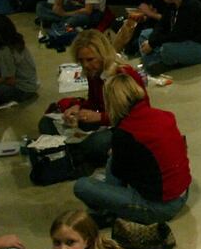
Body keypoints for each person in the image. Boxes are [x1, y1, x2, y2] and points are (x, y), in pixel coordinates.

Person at [73, 73, 190, 249]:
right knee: (113, 157)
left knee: (82, 186)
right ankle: (111, 206)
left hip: (161, 207)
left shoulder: (125, 133)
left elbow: (120, 173)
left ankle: (109, 211)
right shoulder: (164, 115)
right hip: (182, 193)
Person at [41, 30, 145, 171]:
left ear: (103, 56)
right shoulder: (93, 72)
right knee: (47, 122)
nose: (85, 65)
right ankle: (75, 149)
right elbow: (94, 102)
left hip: (124, 127)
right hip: (104, 123)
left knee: (95, 144)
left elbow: (136, 116)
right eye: (81, 61)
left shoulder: (123, 74)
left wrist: (100, 117)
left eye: (90, 59)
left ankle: (74, 149)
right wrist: (77, 107)